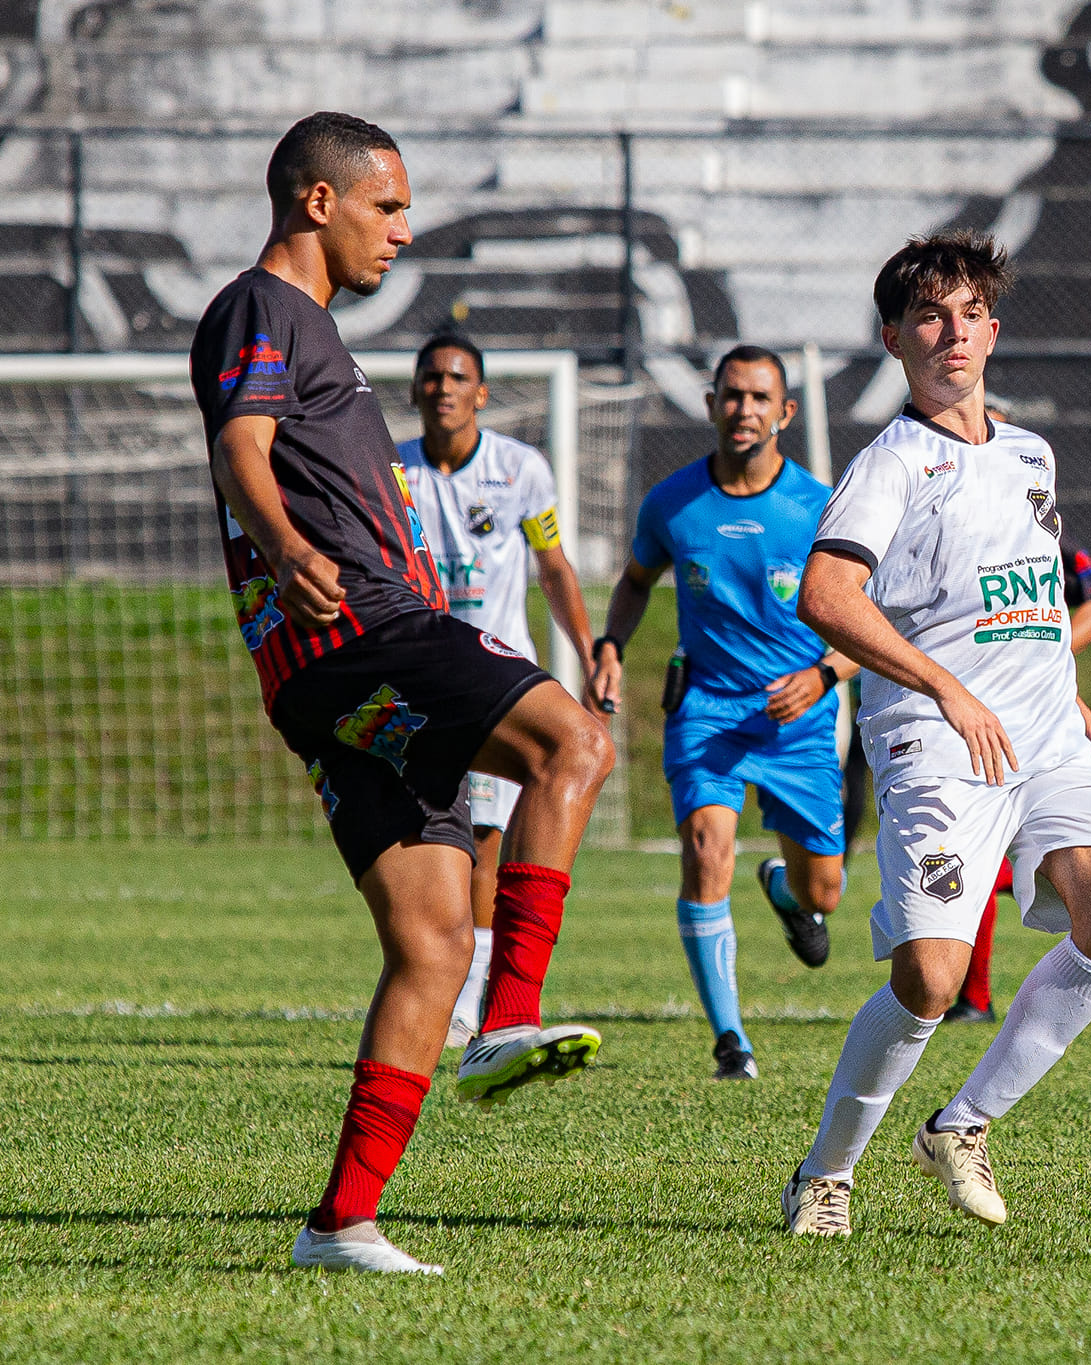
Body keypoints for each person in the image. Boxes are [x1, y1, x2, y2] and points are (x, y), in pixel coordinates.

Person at [192, 112, 614, 1275]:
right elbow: (241, 447)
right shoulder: (262, 308)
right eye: (386, 206)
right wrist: (286, 549)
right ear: (317, 202)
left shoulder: (313, 328)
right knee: (572, 741)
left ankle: (340, 1225)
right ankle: (515, 1013)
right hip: (362, 635)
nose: (403, 229)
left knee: (430, 947)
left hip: (331, 676)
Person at [779, 232, 1091, 1237]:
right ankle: (825, 1173)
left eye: (967, 312)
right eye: (929, 317)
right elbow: (827, 593)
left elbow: (1025, 615)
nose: (952, 332)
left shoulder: (1031, 454)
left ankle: (963, 1123)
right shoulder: (889, 464)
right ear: (894, 338)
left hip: (1046, 740)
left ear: (992, 328)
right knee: (930, 980)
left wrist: (1088, 723)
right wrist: (942, 688)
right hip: (937, 743)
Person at [590, 345, 855, 1081]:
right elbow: (636, 579)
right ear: (710, 404)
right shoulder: (672, 502)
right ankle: (731, 1041)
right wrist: (611, 643)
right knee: (706, 851)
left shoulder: (818, 506)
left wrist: (824, 674)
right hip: (706, 708)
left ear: (786, 413)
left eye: (759, 398)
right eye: (732, 396)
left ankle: (784, 887)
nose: (744, 410)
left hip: (798, 715)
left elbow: (873, 616)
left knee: (823, 890)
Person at [397, 333, 605, 1051]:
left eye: (458, 377)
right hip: (421, 679)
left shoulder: (520, 470)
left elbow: (553, 567)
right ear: (416, 389)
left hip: (496, 681)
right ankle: (462, 983)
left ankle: (482, 997)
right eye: (432, 377)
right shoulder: (395, 475)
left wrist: (588, 652)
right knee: (436, 837)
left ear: (481, 393)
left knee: (486, 836)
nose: (444, 387)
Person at [943, 539, 1091, 1025]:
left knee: (969, 864)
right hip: (927, 712)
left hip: (1013, 718)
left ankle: (978, 999)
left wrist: (1039, 651)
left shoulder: (1039, 525)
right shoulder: (936, 520)